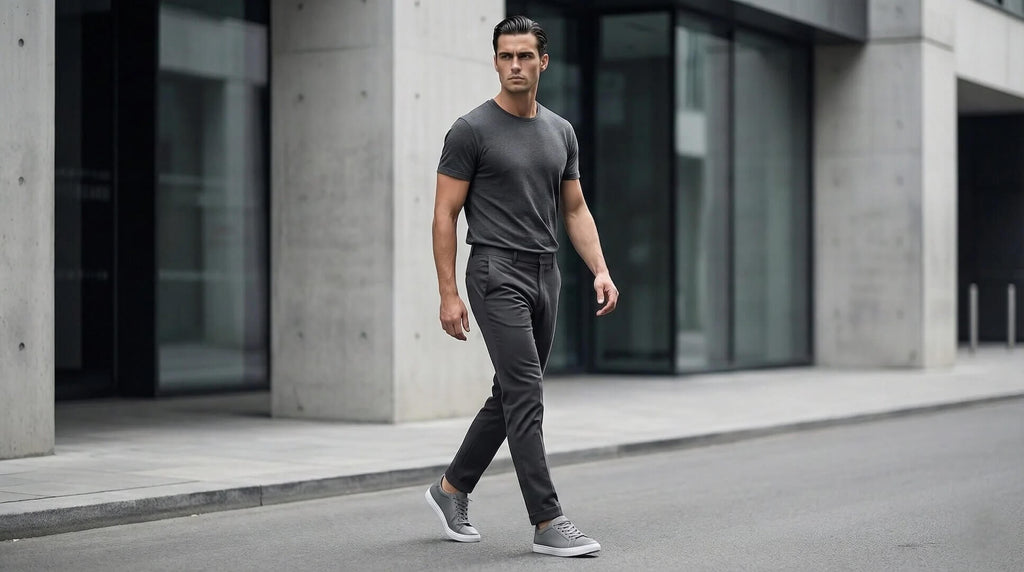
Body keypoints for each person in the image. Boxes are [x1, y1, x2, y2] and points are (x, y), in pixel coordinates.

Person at [425, 15, 619, 558]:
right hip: (494, 271)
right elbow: (445, 214)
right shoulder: (471, 130)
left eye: (525, 56)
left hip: (545, 271)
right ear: (495, 61)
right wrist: (448, 293)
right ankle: (547, 519)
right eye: (506, 56)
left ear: (543, 62)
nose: (515, 65)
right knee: (527, 390)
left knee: (510, 392)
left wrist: (600, 269)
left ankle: (450, 490)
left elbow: (575, 208)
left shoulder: (561, 131)